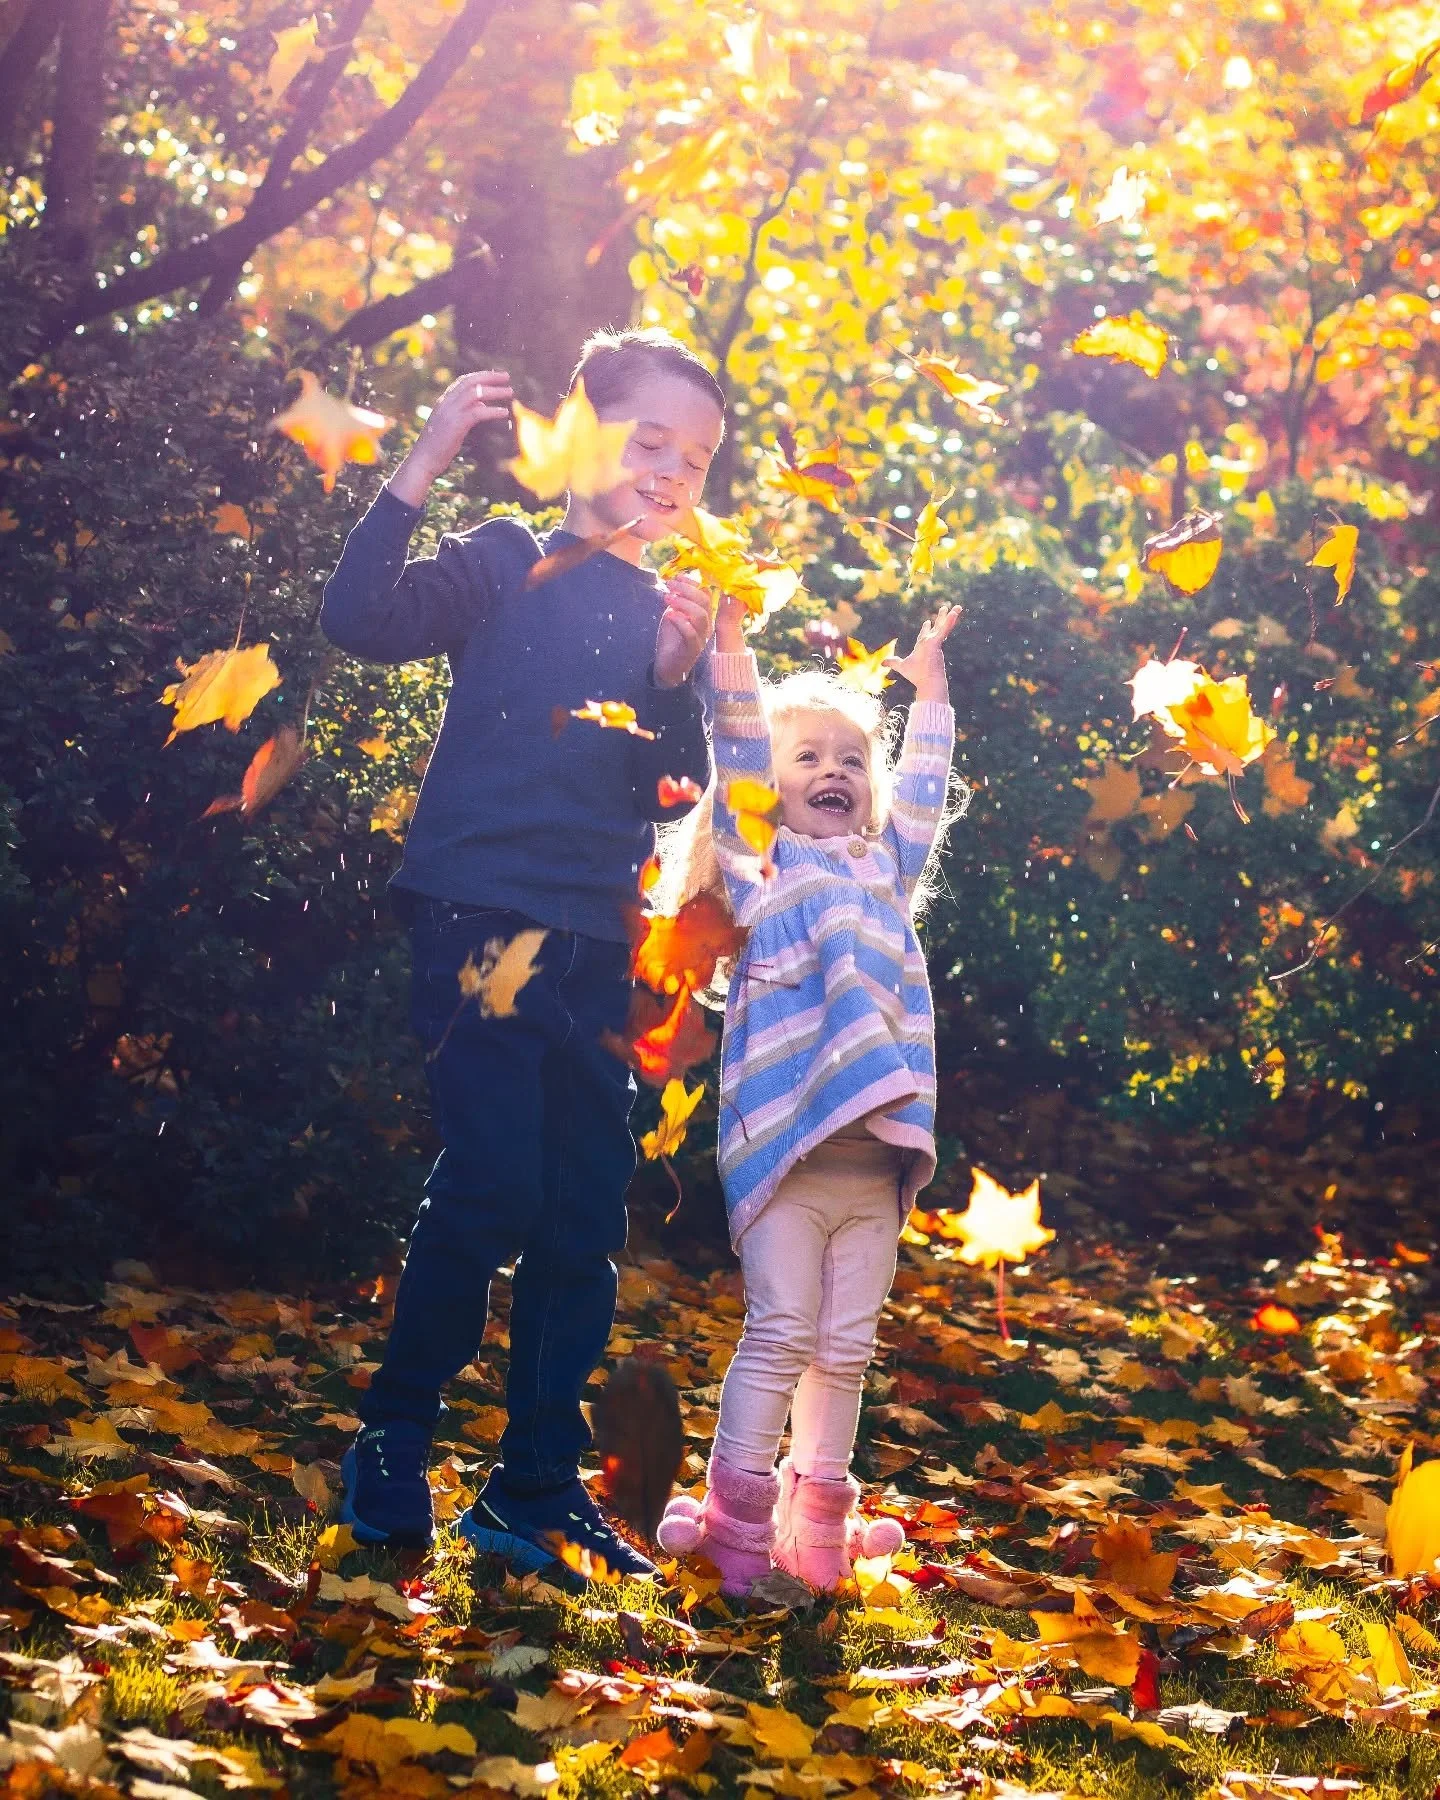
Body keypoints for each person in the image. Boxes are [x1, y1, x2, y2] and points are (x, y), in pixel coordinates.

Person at [320, 328, 724, 1577]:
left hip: (601, 946)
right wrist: (426, 458)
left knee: (582, 1209)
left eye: (697, 458)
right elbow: (359, 619)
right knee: (492, 1178)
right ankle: (393, 1438)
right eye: (649, 440)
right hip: (480, 921)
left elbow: (669, 794)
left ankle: (534, 1486)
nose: (671, 469)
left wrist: (673, 681)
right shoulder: (505, 560)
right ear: (582, 431)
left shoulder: (668, 612)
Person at [654, 595, 963, 1594]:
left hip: (875, 1160)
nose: (834, 770)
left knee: (846, 1347)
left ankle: (816, 1530)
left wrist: (930, 692)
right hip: (788, 1151)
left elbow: (926, 786)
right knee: (782, 1329)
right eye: (810, 758)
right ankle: (737, 1530)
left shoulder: (885, 871)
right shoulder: (763, 871)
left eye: (851, 759)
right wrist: (730, 647)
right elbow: (740, 753)